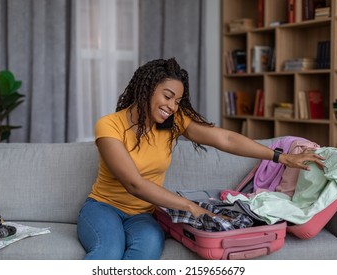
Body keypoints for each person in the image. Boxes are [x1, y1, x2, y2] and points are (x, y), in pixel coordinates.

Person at [77, 57, 324, 260]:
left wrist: (280, 157)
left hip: (144, 214)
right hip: (103, 208)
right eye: (167, 96)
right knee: (108, 252)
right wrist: (190, 206)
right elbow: (134, 184)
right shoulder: (109, 125)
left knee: (147, 252)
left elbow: (224, 139)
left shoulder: (172, 123)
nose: (173, 107)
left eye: (177, 101)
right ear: (147, 88)